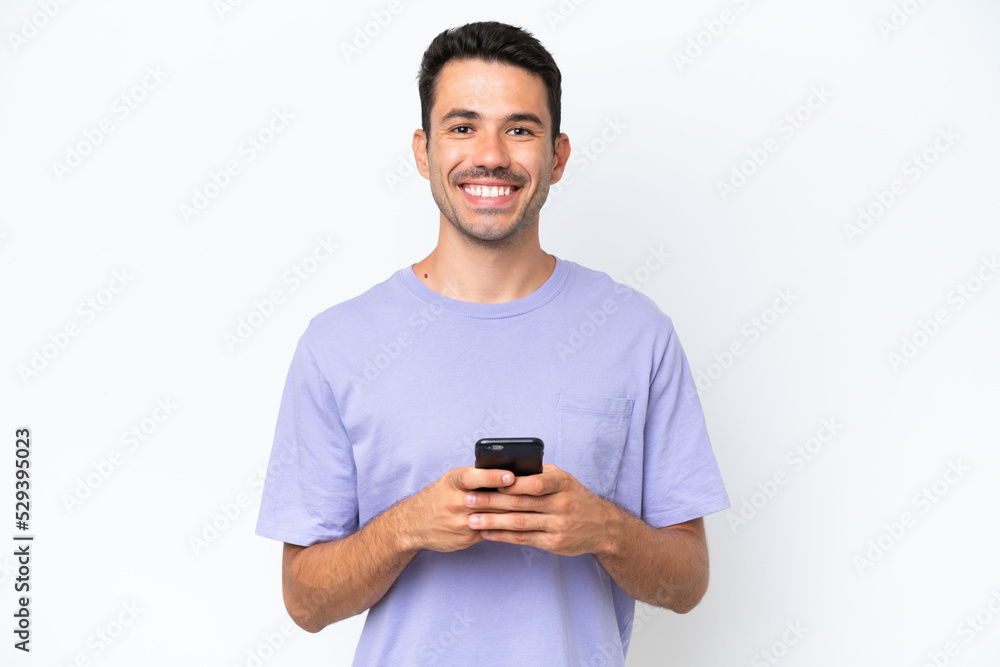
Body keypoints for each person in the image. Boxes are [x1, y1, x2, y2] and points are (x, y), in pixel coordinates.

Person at [255, 20, 729, 666]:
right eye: (462, 126)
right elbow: (305, 600)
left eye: (520, 129)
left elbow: (689, 580)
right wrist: (408, 526)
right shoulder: (337, 345)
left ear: (557, 156)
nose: (492, 155)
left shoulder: (636, 334)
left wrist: (602, 528)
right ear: (423, 151)